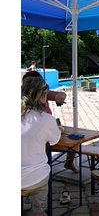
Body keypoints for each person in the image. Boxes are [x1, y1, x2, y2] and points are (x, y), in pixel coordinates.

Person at [22, 71, 79, 173]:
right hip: (36, 173)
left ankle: (69, 163)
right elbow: (54, 139)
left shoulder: (42, 95)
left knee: (75, 142)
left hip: (44, 135)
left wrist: (58, 97)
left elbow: (60, 95)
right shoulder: (44, 117)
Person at [22, 76, 61, 216]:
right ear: (42, 96)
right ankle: (38, 210)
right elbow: (54, 141)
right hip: (36, 177)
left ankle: (25, 203)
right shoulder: (47, 120)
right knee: (40, 212)